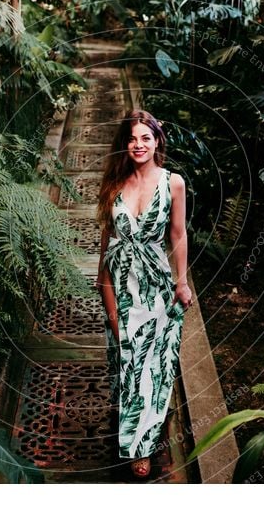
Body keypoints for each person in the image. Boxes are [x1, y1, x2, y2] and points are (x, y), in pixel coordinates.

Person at [96, 109, 193, 479]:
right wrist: (105, 293)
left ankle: (143, 448)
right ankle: (130, 432)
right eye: (132, 139)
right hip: (120, 284)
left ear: (156, 142)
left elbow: (178, 234)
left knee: (154, 368)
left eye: (145, 138)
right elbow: (107, 242)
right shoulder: (114, 183)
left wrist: (181, 282)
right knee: (125, 366)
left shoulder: (173, 183)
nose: (139, 145)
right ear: (126, 144)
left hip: (155, 285)